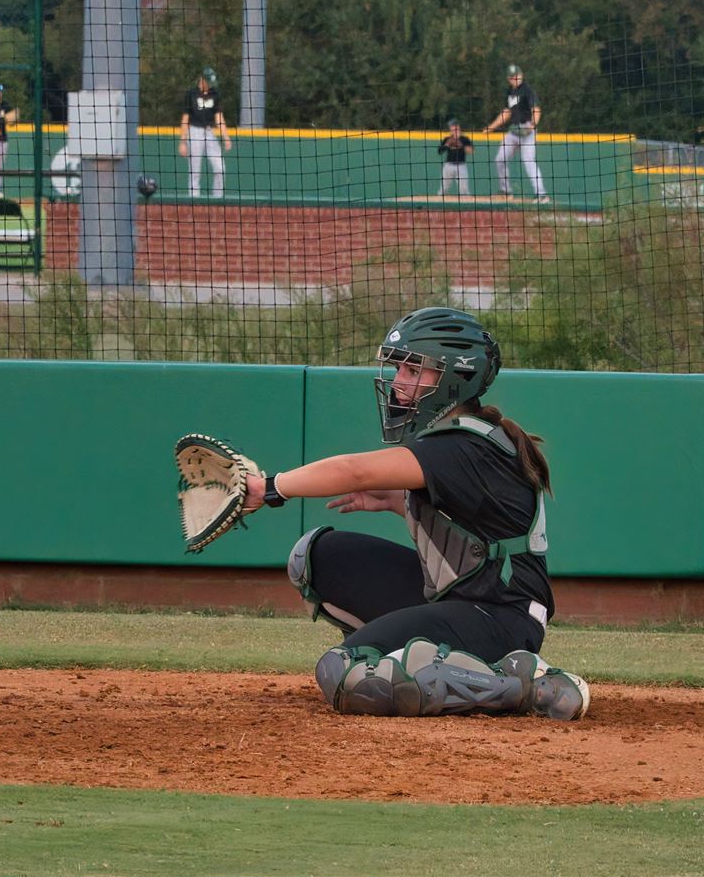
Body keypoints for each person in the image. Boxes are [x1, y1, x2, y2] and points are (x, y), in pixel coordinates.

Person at [239, 307, 589, 720]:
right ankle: (410, 661)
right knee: (315, 557)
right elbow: (474, 538)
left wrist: (270, 487)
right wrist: (397, 503)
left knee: (344, 672)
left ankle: (519, 685)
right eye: (399, 369)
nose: (399, 383)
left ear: (454, 378)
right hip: (465, 601)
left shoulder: (462, 445)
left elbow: (355, 470)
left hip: (501, 621)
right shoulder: (457, 442)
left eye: (414, 370)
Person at [484, 64, 548, 202]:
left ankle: (542, 194)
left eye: (517, 75)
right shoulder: (509, 92)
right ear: (509, 78)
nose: (515, 78)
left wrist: (532, 125)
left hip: (527, 129)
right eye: (512, 76)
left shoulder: (527, 90)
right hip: (514, 131)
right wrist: (491, 127)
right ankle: (506, 191)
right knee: (500, 159)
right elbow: (506, 113)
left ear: (521, 75)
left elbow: (536, 109)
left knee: (528, 161)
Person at [178, 66, 232, 199]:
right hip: (194, 131)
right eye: (208, 82)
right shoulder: (191, 94)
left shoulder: (215, 94)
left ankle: (217, 199)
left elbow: (219, 117)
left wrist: (226, 137)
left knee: (220, 168)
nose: (210, 85)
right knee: (195, 171)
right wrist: (183, 142)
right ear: (202, 80)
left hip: (209, 132)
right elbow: (185, 118)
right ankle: (194, 201)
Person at [436, 119, 474, 197]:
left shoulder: (464, 139)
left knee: (464, 190)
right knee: (444, 189)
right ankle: (439, 206)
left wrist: (462, 145)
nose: (454, 129)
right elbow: (439, 151)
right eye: (452, 127)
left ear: (459, 127)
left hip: (461, 165)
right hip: (448, 165)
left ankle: (466, 207)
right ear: (450, 129)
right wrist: (447, 145)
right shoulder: (447, 139)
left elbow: (471, 151)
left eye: (455, 126)